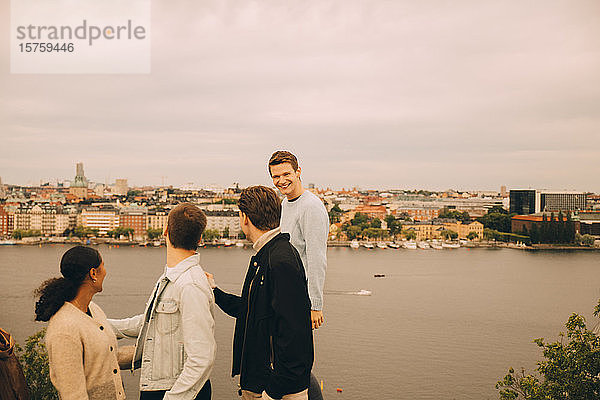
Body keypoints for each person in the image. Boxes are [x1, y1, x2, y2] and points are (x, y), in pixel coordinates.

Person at [205, 186, 313, 400]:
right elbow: (251, 310)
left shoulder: (280, 261)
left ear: (245, 217)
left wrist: (272, 392)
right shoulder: (269, 254)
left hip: (274, 390)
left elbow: (296, 336)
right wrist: (215, 292)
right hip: (262, 383)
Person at [108, 203, 216, 400]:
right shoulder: (174, 277)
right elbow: (152, 325)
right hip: (160, 385)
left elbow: (202, 357)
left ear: (165, 231)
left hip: (173, 390)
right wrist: (99, 324)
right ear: (200, 239)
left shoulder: (190, 285)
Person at [268, 151, 329, 399]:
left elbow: (317, 259)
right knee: (286, 359)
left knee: (295, 362)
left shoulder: (312, 207)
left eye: (286, 174)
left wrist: (315, 305)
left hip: (299, 299)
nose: (281, 180)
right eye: (275, 176)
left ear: (298, 171)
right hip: (283, 295)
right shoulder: (284, 204)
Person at [35, 245, 126, 400]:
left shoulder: (93, 309)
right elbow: (73, 395)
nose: (106, 272)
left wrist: (147, 352)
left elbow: (105, 358)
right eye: (103, 266)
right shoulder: (64, 329)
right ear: (93, 273)